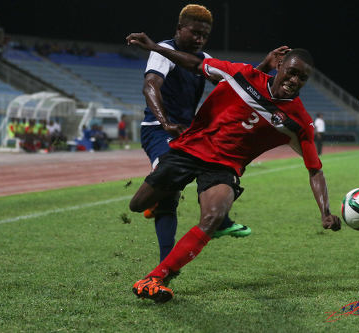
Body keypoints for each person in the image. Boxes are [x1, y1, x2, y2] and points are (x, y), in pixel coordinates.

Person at [126, 32, 342, 303]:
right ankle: (162, 200)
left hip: (224, 167)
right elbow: (195, 65)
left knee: (214, 216)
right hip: (190, 150)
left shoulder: (299, 121)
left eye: (302, 78)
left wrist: (325, 212)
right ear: (280, 66)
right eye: (292, 72)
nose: (294, 81)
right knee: (137, 205)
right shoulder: (242, 74)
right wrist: (154, 47)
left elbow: (315, 169)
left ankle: (157, 277)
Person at [139, 4, 289, 268]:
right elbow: (151, 85)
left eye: (204, 35)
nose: (199, 39)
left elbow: (238, 84)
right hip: (158, 129)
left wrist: (265, 64)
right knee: (170, 195)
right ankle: (162, 267)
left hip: (191, 133)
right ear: (179, 29)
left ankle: (219, 221)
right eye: (194, 32)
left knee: (218, 167)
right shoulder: (163, 51)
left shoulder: (203, 57)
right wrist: (165, 123)